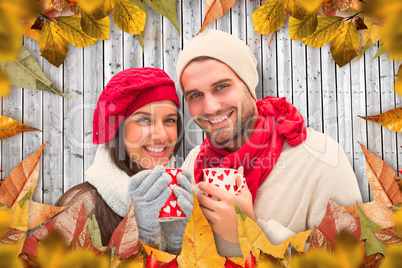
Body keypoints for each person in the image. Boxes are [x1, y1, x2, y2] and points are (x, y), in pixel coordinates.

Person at [176, 29, 363, 258]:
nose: (211, 107)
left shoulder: (321, 157)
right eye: (195, 95)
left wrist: (249, 232)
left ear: (249, 86)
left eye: (221, 87)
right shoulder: (194, 162)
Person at [55, 68, 194, 253]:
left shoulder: (182, 199)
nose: (162, 136)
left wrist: (180, 246)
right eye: (144, 120)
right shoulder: (80, 207)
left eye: (170, 120)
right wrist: (143, 237)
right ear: (117, 129)